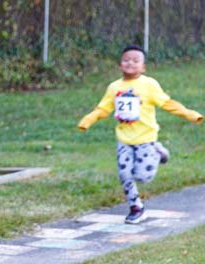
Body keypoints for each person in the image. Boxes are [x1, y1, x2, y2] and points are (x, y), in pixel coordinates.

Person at [78, 44, 202, 224]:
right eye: (126, 60)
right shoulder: (114, 87)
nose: (130, 63)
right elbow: (103, 108)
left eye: (136, 61)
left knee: (143, 177)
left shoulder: (149, 85)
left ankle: (158, 153)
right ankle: (136, 207)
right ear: (120, 65)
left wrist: (190, 114)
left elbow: (167, 103)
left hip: (145, 138)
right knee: (124, 174)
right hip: (124, 140)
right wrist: (88, 120)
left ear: (143, 67)